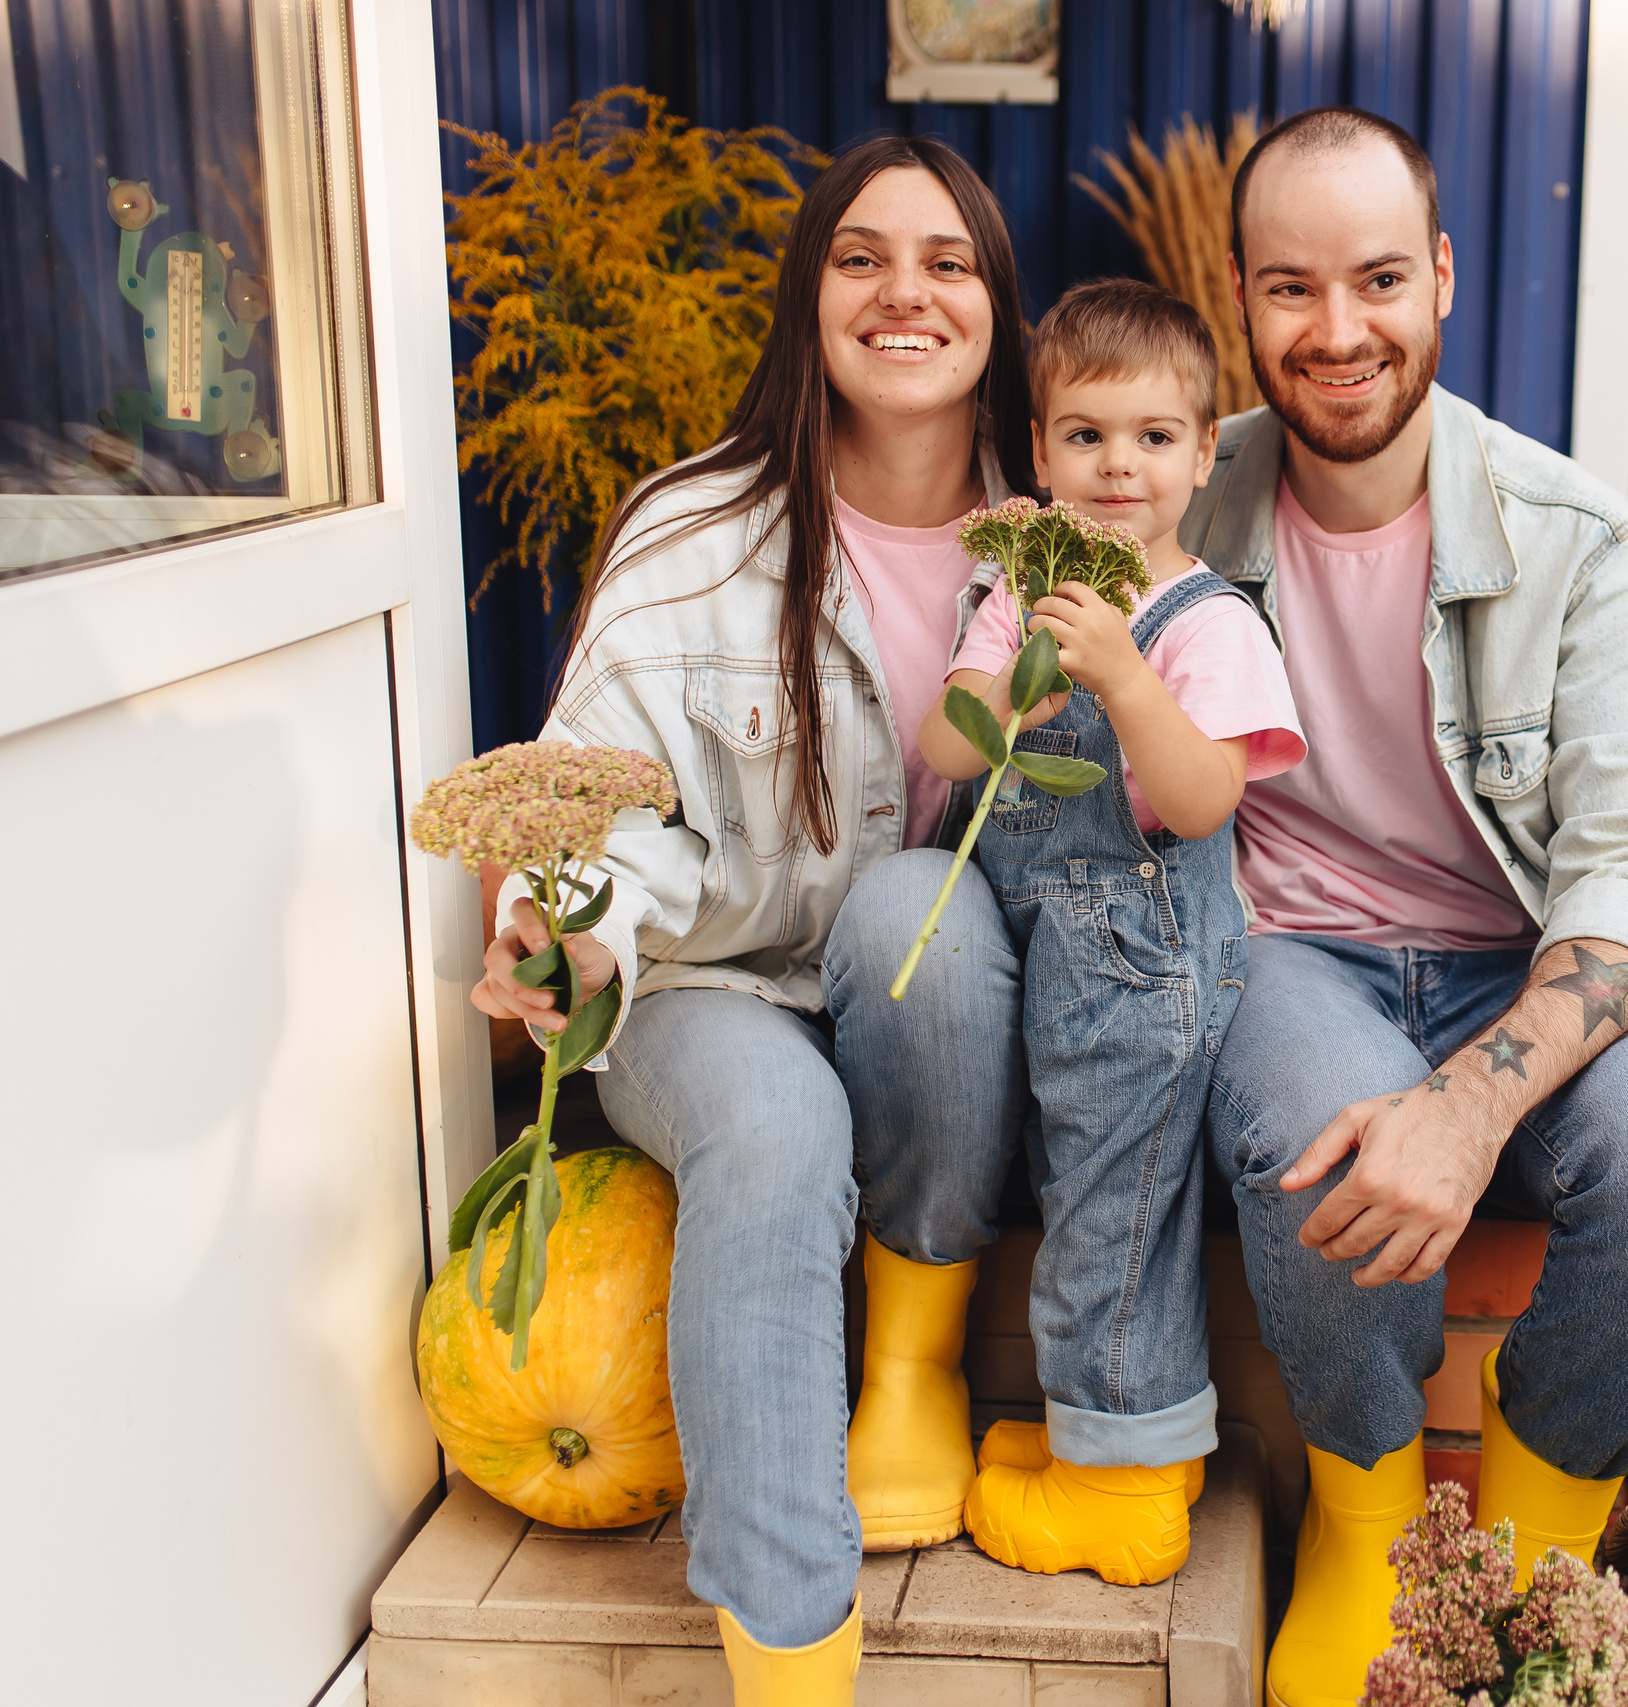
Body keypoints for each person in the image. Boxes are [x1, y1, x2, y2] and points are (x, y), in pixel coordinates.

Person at [1177, 108, 1628, 1707]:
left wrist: (1469, 1101)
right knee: (1318, 1134)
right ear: (1241, 296)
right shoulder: (1183, 502)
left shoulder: (1575, 539)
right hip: (1295, 951)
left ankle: (1523, 1545)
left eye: (1378, 278)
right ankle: (1367, 1527)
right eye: (1292, 289)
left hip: (1527, 953)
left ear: (1441, 276)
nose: (1339, 330)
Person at [469, 135, 1046, 1707]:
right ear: (811, 295)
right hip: (703, 986)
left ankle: (914, 1365)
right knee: (778, 1135)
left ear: (996, 300)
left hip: (930, 1005)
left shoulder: (1059, 547)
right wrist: (568, 923)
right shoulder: (696, 533)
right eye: (862, 256)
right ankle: (792, 1666)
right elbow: (603, 801)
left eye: (947, 260)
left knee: (918, 905)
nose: (904, 291)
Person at [919, 278, 1304, 1586]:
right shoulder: (1018, 589)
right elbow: (945, 744)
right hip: (1051, 963)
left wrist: (1122, 678)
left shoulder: (1207, 622)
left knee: (1113, 1219)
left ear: (1205, 453)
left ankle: (1124, 1497)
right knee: (1080, 1188)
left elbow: (1201, 798)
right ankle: (1132, 1441)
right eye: (1086, 436)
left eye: (1151, 437)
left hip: (1146, 969)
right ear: (1042, 454)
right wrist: (1008, 691)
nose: (1117, 465)